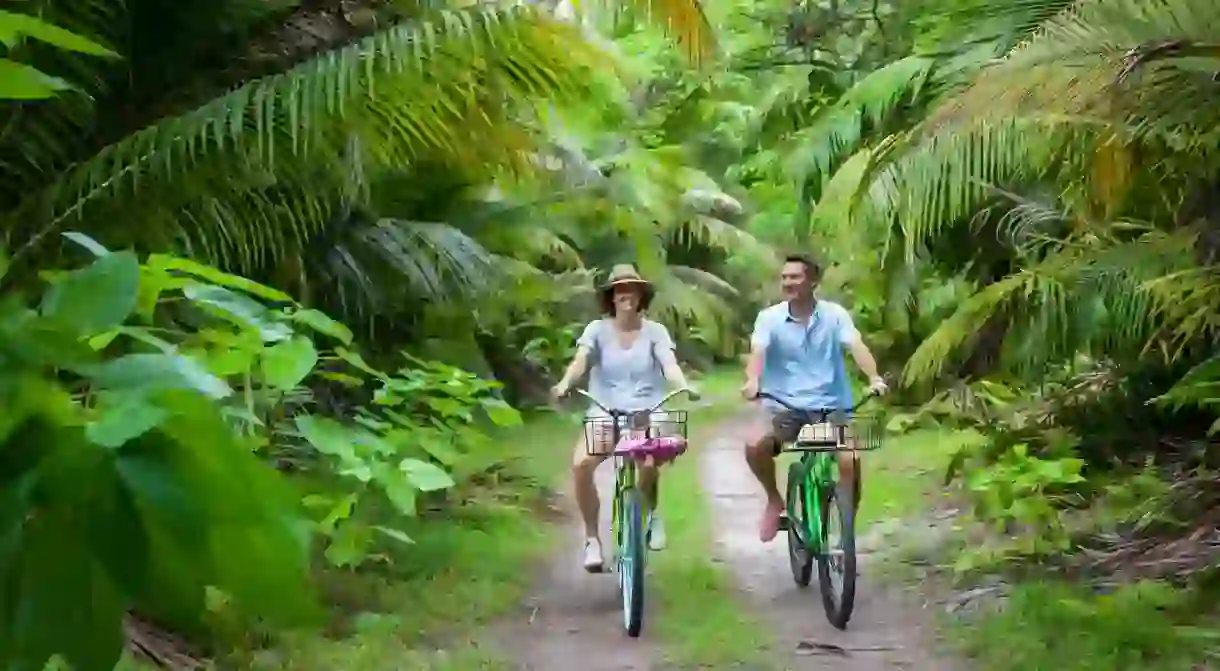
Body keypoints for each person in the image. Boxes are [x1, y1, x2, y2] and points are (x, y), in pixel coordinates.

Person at [551, 264, 699, 572]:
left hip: (646, 412)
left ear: (641, 295)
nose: (625, 295)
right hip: (604, 412)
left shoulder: (655, 332)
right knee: (581, 465)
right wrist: (566, 383)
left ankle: (650, 515)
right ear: (611, 297)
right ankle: (592, 539)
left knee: (648, 461)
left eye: (631, 289)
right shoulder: (597, 330)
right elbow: (580, 361)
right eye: (619, 289)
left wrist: (683, 384)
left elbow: (669, 364)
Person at [740, 253, 889, 542]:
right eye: (784, 277)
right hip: (785, 406)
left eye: (795, 277)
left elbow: (855, 346)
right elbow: (758, 353)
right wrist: (753, 380)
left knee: (850, 461)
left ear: (813, 281)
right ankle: (774, 499)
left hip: (830, 406)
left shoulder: (835, 315)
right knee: (755, 445)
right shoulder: (769, 318)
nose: (788, 282)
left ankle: (846, 526)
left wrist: (874, 378)